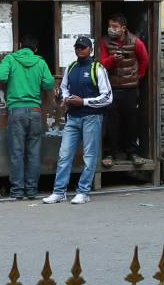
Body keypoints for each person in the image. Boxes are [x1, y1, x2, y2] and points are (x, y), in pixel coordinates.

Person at [42, 36, 112, 205]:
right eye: (77, 47)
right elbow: (65, 87)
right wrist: (66, 98)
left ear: (91, 50)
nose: (80, 50)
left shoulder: (98, 69)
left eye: (83, 47)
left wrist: (84, 101)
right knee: (64, 155)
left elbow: (108, 97)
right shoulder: (71, 67)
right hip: (72, 117)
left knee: (89, 156)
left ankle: (83, 191)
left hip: (92, 118)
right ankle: (59, 192)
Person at [0, 34, 55, 199]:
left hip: (16, 111)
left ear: (20, 45)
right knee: (34, 152)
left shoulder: (11, 60)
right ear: (36, 48)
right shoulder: (40, 62)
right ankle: (32, 190)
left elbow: (1, 76)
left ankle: (17, 191)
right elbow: (49, 83)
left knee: (17, 152)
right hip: (35, 111)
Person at [99, 13, 149, 167]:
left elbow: (144, 60)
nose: (111, 29)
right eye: (109, 26)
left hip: (130, 89)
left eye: (114, 27)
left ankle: (132, 152)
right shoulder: (104, 41)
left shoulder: (136, 42)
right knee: (111, 122)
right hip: (111, 89)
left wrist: (136, 78)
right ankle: (110, 153)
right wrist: (112, 60)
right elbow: (101, 64)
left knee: (131, 122)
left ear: (123, 28)